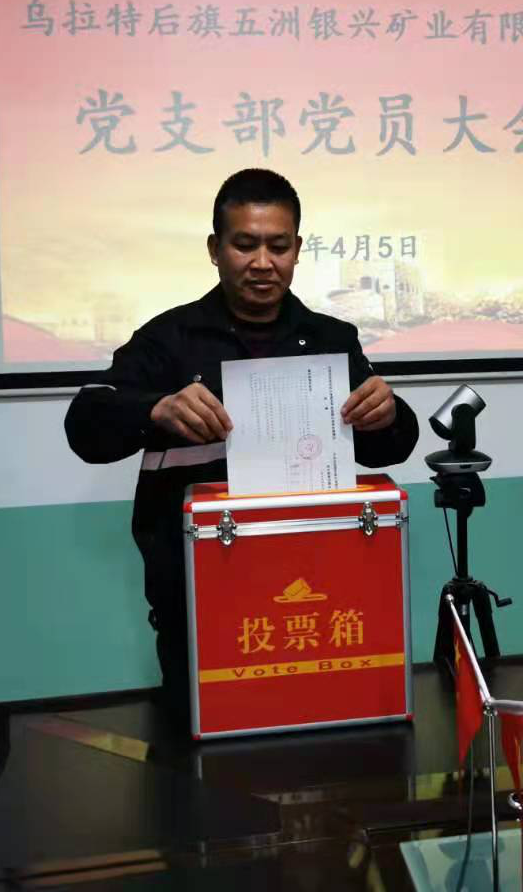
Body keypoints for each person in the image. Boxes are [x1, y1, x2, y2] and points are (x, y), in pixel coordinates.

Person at [64, 168, 420, 704]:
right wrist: (156, 409)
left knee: (321, 734)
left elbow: (387, 446)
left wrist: (387, 414)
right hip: (197, 596)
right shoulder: (168, 339)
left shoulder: (330, 338)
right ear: (215, 249)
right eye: (245, 244)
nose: (262, 262)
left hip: (316, 589)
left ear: (297, 250)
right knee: (203, 740)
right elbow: (85, 427)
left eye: (278, 246)